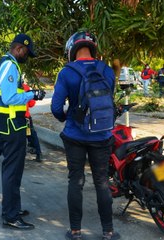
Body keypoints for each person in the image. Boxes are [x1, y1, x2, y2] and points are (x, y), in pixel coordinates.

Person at [51, 31, 120, 240]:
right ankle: (108, 231)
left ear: (72, 50)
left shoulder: (66, 72)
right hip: (102, 135)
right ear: (92, 48)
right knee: (101, 182)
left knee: (76, 181)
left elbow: (55, 107)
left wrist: (65, 118)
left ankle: (75, 231)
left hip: (75, 135)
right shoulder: (106, 70)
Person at [0, 33, 45, 230]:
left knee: (13, 170)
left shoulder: (3, 64)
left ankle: (13, 208)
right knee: (12, 171)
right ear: (19, 49)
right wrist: (33, 94)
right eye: (26, 53)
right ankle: (11, 216)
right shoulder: (10, 65)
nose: (26, 57)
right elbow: (9, 97)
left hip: (10, 124)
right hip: (12, 125)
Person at [23, 83, 42, 162]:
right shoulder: (25, 87)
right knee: (31, 134)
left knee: (18, 136)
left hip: (13, 117)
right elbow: (31, 103)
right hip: (26, 117)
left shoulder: (9, 85)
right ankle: (38, 153)